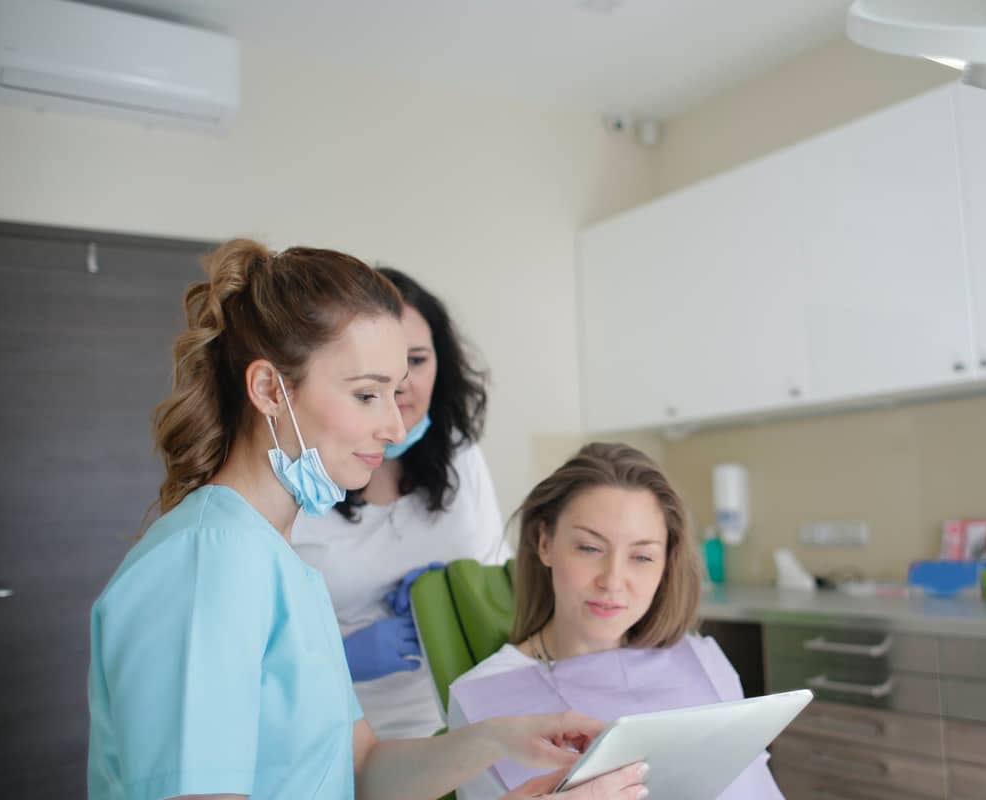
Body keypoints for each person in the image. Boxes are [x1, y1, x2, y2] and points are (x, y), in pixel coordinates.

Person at [86, 239, 647, 800]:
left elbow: (361, 769)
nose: (395, 428)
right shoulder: (210, 560)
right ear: (267, 390)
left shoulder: (280, 562)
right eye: (366, 395)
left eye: (394, 391)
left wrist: (500, 738)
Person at [447, 443, 783, 800]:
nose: (612, 580)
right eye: (590, 549)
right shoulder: (484, 697)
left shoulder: (701, 660)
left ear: (666, 564)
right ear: (545, 543)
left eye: (641, 556)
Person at [293, 267, 509, 740]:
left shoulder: (460, 454)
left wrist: (457, 586)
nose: (401, 383)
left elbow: (501, 573)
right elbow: (260, 646)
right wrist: (343, 657)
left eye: (417, 359)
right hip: (340, 735)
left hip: (459, 723)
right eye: (382, 368)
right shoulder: (302, 476)